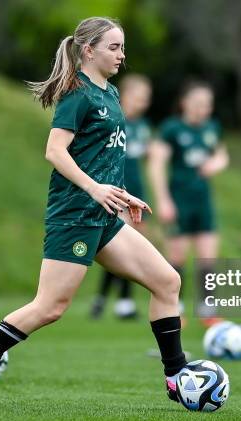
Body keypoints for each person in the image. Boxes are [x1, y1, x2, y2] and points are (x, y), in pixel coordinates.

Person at [0, 17, 186, 409]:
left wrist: (122, 195)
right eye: (114, 47)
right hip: (75, 215)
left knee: (167, 282)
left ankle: (177, 376)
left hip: (104, 216)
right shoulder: (77, 94)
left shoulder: (109, 92)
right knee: (50, 307)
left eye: (123, 48)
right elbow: (55, 151)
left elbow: (100, 158)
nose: (121, 55)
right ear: (88, 50)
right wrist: (94, 189)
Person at [149, 81, 229, 327]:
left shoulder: (212, 127)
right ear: (185, 103)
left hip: (203, 201)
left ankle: (208, 310)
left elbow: (221, 154)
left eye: (207, 105)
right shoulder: (171, 128)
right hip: (178, 200)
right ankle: (176, 309)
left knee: (207, 257)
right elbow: (156, 164)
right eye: (197, 104)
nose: (202, 109)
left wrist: (217, 163)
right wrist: (163, 200)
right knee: (177, 257)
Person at [90, 73, 153, 320]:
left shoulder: (143, 127)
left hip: (137, 196)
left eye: (146, 99)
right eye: (139, 97)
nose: (143, 103)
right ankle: (118, 301)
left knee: (127, 250)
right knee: (121, 249)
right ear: (125, 95)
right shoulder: (113, 120)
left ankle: (107, 300)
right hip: (117, 194)